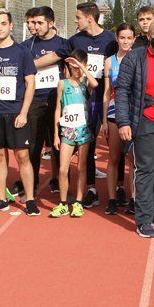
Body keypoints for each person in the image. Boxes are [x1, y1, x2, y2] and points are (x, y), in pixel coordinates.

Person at [36, 2, 118, 208]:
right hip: (81, 102)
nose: (75, 20)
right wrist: (26, 62)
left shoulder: (110, 39)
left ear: (90, 18)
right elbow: (55, 56)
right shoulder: (74, 40)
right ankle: (90, 189)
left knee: (114, 146)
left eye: (78, 17)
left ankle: (118, 190)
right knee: (86, 146)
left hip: (103, 99)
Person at [115, 17, 154, 238]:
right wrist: (123, 122)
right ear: (148, 35)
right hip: (144, 121)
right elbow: (121, 90)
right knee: (145, 170)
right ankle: (143, 219)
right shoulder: (134, 57)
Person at [0, 8, 39, 216]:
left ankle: (30, 200)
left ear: (11, 26)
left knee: (22, 156)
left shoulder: (22, 52)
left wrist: (23, 113)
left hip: (16, 112)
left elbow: (30, 84)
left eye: (3, 24)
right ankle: (1, 199)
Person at [23, 6, 68, 200]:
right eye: (33, 23)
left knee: (59, 143)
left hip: (58, 100)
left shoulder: (64, 44)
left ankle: (58, 180)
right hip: (35, 100)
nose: (36, 26)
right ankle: (30, 186)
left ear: (51, 23)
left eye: (40, 22)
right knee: (34, 145)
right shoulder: (26, 46)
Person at [50, 50, 98, 217]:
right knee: (63, 169)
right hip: (67, 131)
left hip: (83, 130)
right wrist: (56, 133)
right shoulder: (63, 84)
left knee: (81, 167)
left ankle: (78, 202)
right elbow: (58, 108)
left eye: (78, 66)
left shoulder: (86, 82)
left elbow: (96, 84)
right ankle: (63, 203)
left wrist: (82, 68)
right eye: (72, 66)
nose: (75, 70)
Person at [102, 23, 135, 215]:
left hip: (132, 116)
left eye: (129, 38)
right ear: (117, 38)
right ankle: (112, 199)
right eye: (122, 37)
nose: (125, 41)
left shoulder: (139, 58)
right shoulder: (109, 61)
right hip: (114, 114)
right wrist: (105, 120)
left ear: (134, 39)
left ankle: (132, 199)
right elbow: (106, 92)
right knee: (114, 158)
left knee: (132, 159)